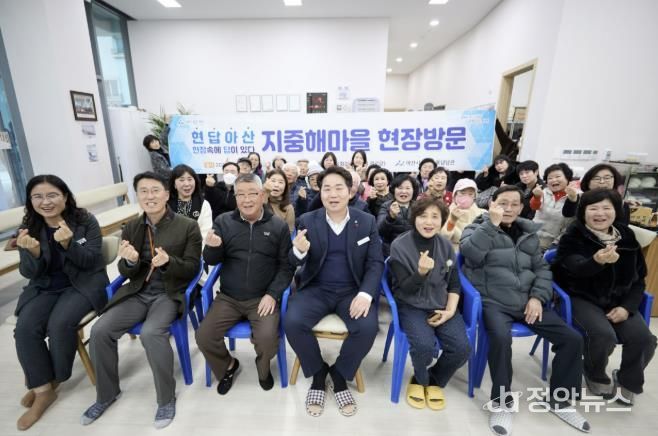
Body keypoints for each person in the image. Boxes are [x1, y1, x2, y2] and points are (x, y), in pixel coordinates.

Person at [460, 185, 589, 436]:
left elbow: (542, 270)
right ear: (491, 204)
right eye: (502, 203)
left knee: (573, 339)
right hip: (493, 301)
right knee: (500, 338)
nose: (508, 209)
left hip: (528, 302)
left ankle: (560, 401)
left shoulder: (528, 233)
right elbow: (470, 254)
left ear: (521, 207)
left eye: (514, 204)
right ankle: (501, 403)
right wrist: (491, 225)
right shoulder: (476, 227)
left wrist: (538, 297)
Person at [81, 172, 202, 429]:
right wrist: (130, 262)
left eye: (155, 190)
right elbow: (125, 272)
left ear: (167, 194)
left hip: (168, 293)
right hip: (138, 292)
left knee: (151, 333)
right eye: (143, 191)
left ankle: (166, 399)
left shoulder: (187, 226)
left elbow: (192, 268)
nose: (150, 196)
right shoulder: (132, 227)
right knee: (100, 330)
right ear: (137, 196)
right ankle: (106, 394)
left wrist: (169, 262)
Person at [284, 166, 383, 417]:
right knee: (292, 321)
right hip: (316, 288)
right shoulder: (308, 220)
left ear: (350, 192)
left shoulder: (366, 221)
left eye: (339, 188)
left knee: (367, 327)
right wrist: (298, 251)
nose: (333, 194)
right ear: (321, 192)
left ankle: (339, 374)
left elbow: (375, 263)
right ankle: (318, 373)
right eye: (327, 188)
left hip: (352, 290)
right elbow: (293, 261)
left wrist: (365, 294)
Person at [14, 175, 109, 431]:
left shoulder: (85, 221)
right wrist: (33, 254)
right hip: (45, 287)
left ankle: (55, 378)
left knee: (60, 324)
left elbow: (91, 260)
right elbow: (29, 272)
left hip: (83, 284)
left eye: (52, 195)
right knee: (25, 328)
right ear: (30, 201)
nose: (45, 202)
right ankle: (43, 389)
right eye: (38, 197)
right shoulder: (28, 227)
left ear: (65, 196)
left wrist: (68, 244)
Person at [552, 189, 656, 404]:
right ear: (583, 212)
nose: (600, 213)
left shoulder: (627, 236)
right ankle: (594, 372)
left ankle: (627, 380)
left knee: (644, 339)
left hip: (619, 300)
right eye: (593, 208)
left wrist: (627, 307)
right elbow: (571, 268)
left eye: (606, 208)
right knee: (602, 335)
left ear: (616, 211)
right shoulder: (573, 235)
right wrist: (596, 261)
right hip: (581, 297)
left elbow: (638, 280)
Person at [196, 173, 295, 394]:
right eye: (241, 194)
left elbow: (286, 267)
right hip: (229, 297)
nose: (247, 200)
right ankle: (228, 366)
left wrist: (272, 294)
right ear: (235, 197)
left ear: (262, 195)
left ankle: (263, 369)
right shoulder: (224, 222)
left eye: (252, 194)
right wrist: (212, 247)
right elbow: (212, 260)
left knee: (268, 339)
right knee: (204, 336)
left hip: (262, 298)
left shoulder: (278, 226)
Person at [389, 198, 470, 410]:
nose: (429, 222)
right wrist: (421, 273)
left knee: (462, 349)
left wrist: (450, 311)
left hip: (440, 305)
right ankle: (420, 379)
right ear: (414, 218)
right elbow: (405, 289)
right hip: (411, 305)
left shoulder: (446, 245)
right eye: (423, 216)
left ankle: (434, 380)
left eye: (435, 217)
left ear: (442, 220)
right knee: (423, 346)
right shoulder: (399, 246)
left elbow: (454, 284)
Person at [562, 163, 630, 224]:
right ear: (588, 182)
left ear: (614, 180)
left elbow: (622, 228)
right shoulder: (578, 198)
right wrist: (572, 200)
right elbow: (567, 214)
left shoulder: (621, 204)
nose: (602, 182)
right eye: (596, 178)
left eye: (607, 178)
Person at [531, 163, 575, 250]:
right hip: (533, 236)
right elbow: (534, 207)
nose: (554, 180)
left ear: (567, 178)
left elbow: (570, 224)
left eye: (558, 176)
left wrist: (556, 244)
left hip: (554, 243)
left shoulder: (574, 196)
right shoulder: (543, 192)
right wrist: (536, 196)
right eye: (550, 178)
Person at [378, 175, 419, 257]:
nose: (404, 191)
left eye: (408, 188)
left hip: (414, 251)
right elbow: (380, 231)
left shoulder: (418, 207)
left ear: (413, 190)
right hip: (391, 251)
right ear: (394, 190)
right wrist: (390, 217)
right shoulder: (386, 206)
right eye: (400, 188)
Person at [168, 164, 213, 236]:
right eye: (182, 180)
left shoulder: (204, 205)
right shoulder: (166, 205)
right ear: (174, 184)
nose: (187, 184)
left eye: (190, 179)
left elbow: (205, 233)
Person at [440, 178, 484, 251]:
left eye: (470, 194)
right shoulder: (445, 213)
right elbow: (444, 237)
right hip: (453, 252)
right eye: (462, 193)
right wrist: (452, 220)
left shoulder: (482, 214)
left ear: (475, 197)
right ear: (455, 195)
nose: (466, 197)